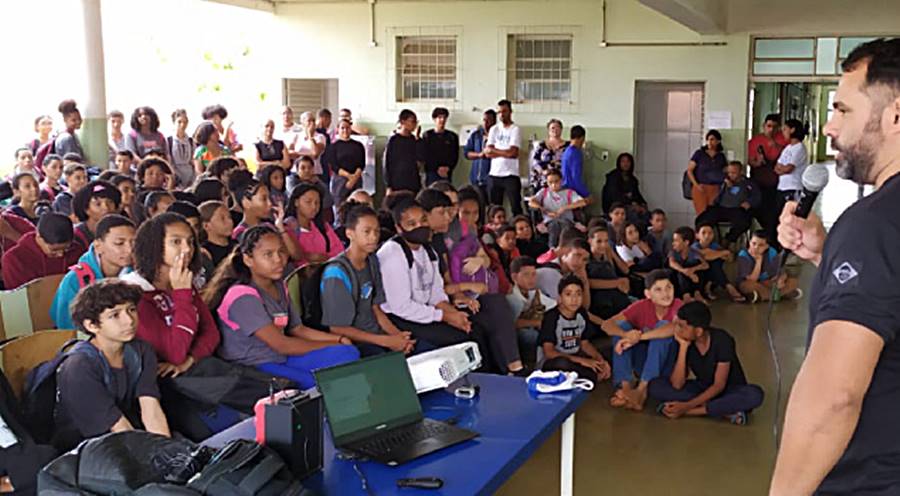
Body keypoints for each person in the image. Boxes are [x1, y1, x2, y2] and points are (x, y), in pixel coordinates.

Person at [771, 38, 900, 496]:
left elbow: (833, 399)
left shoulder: (873, 224)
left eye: (843, 110)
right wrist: (829, 258)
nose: (828, 127)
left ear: (895, 115)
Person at [207, 225, 359, 388]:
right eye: (268, 254)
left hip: (281, 357)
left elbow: (298, 329)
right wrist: (331, 344)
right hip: (255, 365)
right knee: (317, 384)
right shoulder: (242, 296)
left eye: (281, 251)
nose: (278, 259)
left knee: (349, 353)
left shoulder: (279, 285)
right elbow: (282, 344)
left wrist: (339, 339)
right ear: (248, 259)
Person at [54, 279, 170, 451]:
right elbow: (117, 426)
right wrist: (152, 459)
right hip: (85, 446)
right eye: (115, 315)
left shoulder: (141, 350)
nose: (129, 321)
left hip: (127, 432)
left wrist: (169, 451)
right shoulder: (79, 366)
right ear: (91, 325)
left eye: (131, 310)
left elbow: (150, 408)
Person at [321, 204, 428, 356]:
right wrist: (386, 341)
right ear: (350, 233)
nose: (373, 237)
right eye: (367, 232)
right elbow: (337, 328)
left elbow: (376, 308)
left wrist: (399, 337)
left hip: (379, 334)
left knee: (427, 351)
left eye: (377, 231)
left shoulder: (372, 260)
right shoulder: (336, 272)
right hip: (358, 342)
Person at [377, 197, 476, 349]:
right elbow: (401, 307)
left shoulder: (428, 251)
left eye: (423, 220)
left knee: (474, 328)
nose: (420, 226)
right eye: (412, 224)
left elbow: (435, 294)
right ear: (399, 228)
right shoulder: (393, 253)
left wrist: (454, 315)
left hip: (426, 312)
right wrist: (444, 316)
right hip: (400, 317)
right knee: (457, 340)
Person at [649, 301, 764, 425]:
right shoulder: (685, 341)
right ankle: (723, 410)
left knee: (754, 395)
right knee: (655, 386)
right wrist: (683, 348)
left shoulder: (722, 340)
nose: (677, 330)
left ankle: (695, 411)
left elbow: (719, 385)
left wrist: (687, 407)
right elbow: (677, 384)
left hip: (729, 389)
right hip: (702, 387)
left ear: (698, 331)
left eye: (682, 326)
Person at [602, 269, 681, 411]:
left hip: (668, 365)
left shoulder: (678, 306)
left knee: (661, 328)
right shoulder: (642, 306)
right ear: (648, 294)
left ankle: (641, 391)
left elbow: (673, 328)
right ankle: (626, 387)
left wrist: (638, 337)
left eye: (669, 287)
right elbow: (607, 324)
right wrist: (626, 335)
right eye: (658, 289)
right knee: (622, 326)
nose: (665, 293)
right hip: (644, 363)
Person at [51, 214, 134, 329]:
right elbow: (68, 329)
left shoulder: (137, 275)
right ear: (98, 246)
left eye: (134, 242)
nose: (129, 250)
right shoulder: (75, 280)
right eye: (120, 243)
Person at [538, 275, 610, 384]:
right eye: (568, 294)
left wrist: (600, 361)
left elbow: (585, 344)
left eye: (578, 294)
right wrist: (582, 361)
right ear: (560, 297)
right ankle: (589, 378)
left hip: (575, 357)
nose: (574, 299)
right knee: (563, 364)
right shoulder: (551, 317)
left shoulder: (582, 314)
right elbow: (549, 352)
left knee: (607, 354)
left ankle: (586, 378)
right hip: (555, 361)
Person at [1, 213, 81, 289]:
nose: (61, 254)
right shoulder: (14, 259)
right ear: (39, 237)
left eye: (66, 249)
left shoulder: (77, 251)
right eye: (54, 250)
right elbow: (18, 297)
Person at [695, 160, 759, 245]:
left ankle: (728, 240)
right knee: (703, 218)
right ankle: (703, 240)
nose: (731, 175)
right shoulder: (724, 181)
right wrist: (724, 179)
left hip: (738, 209)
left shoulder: (748, 183)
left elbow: (757, 197)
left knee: (744, 222)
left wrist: (749, 202)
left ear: (740, 172)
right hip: (721, 208)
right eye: (729, 172)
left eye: (734, 173)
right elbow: (710, 176)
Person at [508, 256, 557, 359]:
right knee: (532, 336)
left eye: (534, 274)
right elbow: (512, 323)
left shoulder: (534, 292)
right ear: (514, 277)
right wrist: (536, 323)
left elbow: (554, 306)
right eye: (526, 275)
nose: (531, 278)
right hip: (516, 336)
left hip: (534, 328)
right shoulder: (511, 297)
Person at [747, 113, 786, 241]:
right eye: (768, 126)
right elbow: (750, 161)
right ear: (764, 126)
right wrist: (758, 162)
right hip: (759, 180)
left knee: (775, 211)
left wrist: (777, 146)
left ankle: (774, 238)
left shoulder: (783, 139)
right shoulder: (755, 141)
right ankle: (767, 234)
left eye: (774, 127)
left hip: (777, 182)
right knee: (758, 208)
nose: (771, 129)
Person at [284, 182, 342, 265]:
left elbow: (339, 250)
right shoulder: (287, 228)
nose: (314, 207)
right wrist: (309, 257)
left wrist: (325, 258)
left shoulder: (323, 226)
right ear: (296, 202)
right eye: (308, 202)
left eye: (317, 203)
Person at [773, 118, 809, 249]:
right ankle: (780, 245)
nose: (783, 132)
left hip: (793, 188)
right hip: (781, 187)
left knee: (791, 220)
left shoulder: (799, 148)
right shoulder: (788, 148)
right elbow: (777, 167)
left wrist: (782, 169)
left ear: (793, 130)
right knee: (780, 217)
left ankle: (791, 248)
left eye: (785, 129)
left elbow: (789, 168)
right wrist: (781, 169)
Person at [736, 230, 800, 303]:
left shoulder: (772, 252)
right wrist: (759, 261)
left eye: (761, 245)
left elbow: (780, 271)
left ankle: (763, 296)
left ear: (767, 246)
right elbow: (752, 279)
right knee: (747, 286)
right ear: (749, 242)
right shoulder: (743, 255)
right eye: (753, 243)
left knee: (793, 281)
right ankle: (779, 295)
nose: (756, 247)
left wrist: (780, 279)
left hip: (766, 282)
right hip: (752, 283)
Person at [529, 169, 588, 248]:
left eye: (556, 181)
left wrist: (564, 208)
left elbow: (582, 202)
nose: (553, 185)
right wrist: (543, 209)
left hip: (566, 220)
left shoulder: (569, 192)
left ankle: (565, 248)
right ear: (547, 182)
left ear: (561, 180)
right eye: (550, 182)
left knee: (564, 225)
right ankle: (553, 249)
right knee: (554, 225)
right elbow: (531, 202)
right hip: (550, 221)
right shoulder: (544, 192)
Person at [485, 100, 523, 215]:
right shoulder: (494, 129)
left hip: (510, 175)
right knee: (494, 209)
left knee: (516, 207)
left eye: (504, 111)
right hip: (494, 174)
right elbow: (487, 153)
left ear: (510, 112)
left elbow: (513, 153)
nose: (502, 114)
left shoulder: (515, 129)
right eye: (499, 112)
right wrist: (504, 152)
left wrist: (494, 151)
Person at [536, 236, 592, 311]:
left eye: (584, 259)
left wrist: (585, 281)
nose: (580, 262)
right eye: (577, 255)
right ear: (565, 253)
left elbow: (585, 307)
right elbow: (574, 309)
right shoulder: (551, 273)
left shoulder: (569, 273)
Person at [587, 225, 632, 318]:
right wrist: (617, 283)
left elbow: (625, 270)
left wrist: (611, 253)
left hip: (617, 298)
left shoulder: (606, 258)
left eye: (606, 241)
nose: (603, 245)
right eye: (599, 241)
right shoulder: (586, 259)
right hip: (601, 303)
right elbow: (589, 282)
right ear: (590, 241)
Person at [693, 223, 745, 302]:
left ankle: (709, 287)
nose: (707, 236)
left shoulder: (714, 245)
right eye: (703, 233)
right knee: (714, 261)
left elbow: (730, 258)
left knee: (716, 263)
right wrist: (722, 253)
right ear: (697, 235)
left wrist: (712, 253)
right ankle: (729, 287)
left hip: (713, 276)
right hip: (698, 277)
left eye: (710, 233)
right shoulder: (694, 246)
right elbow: (704, 256)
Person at [323, 118, 366, 207]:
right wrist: (349, 177)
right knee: (340, 207)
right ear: (338, 130)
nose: (345, 130)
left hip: (356, 178)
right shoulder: (333, 147)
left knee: (357, 207)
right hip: (340, 180)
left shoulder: (358, 145)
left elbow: (361, 164)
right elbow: (334, 166)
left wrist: (354, 178)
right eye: (342, 128)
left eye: (347, 128)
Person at [72, 180, 121, 249]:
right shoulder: (76, 237)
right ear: (86, 209)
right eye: (98, 204)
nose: (106, 208)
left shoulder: (121, 230)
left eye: (110, 202)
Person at [687, 130, 727, 215]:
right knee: (701, 213)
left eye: (712, 139)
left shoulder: (720, 156)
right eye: (708, 140)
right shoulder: (699, 154)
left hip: (715, 188)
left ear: (718, 141)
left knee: (712, 213)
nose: (710, 142)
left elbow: (724, 171)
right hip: (701, 187)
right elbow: (690, 170)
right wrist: (696, 185)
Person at [384, 109, 423, 195]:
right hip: (397, 184)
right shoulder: (393, 140)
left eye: (416, 122)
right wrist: (388, 185)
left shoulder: (414, 140)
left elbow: (420, 158)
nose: (415, 124)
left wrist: (417, 138)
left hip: (413, 183)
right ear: (403, 122)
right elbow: (387, 163)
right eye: (412, 121)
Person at [602, 152, 648, 224]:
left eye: (628, 161)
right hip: (615, 206)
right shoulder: (613, 177)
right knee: (634, 216)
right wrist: (632, 205)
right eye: (623, 161)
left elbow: (637, 194)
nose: (625, 164)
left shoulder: (632, 179)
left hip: (629, 206)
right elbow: (615, 196)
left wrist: (642, 204)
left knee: (647, 215)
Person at [668, 226, 709, 302]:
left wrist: (693, 269)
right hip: (677, 280)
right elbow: (672, 263)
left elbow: (706, 265)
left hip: (692, 280)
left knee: (698, 267)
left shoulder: (694, 252)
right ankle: (686, 296)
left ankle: (697, 293)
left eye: (676, 241)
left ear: (686, 242)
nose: (673, 243)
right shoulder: (673, 252)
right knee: (680, 271)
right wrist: (686, 272)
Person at [420, 107, 459, 185]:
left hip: (446, 172)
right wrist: (436, 168)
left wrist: (448, 168)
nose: (442, 120)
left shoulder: (452, 136)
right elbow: (426, 155)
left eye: (444, 117)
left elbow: (455, 155)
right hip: (432, 172)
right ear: (434, 119)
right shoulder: (427, 135)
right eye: (440, 117)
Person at [292, 155, 335, 226]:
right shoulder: (291, 181)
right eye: (303, 168)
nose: (307, 171)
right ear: (297, 170)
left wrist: (318, 182)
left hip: (318, 215)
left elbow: (329, 201)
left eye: (309, 168)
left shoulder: (317, 182)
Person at [464, 109, 496, 201]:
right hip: (476, 179)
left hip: (492, 180)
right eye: (484, 120)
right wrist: (479, 155)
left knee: (492, 206)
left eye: (489, 120)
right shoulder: (476, 135)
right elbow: (467, 153)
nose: (486, 123)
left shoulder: (498, 135)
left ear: (494, 121)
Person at [530, 119, 569, 191]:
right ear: (548, 130)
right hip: (544, 180)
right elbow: (535, 162)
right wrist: (544, 171)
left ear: (561, 129)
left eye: (558, 127)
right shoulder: (541, 145)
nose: (555, 129)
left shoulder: (568, 146)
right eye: (553, 128)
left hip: (561, 181)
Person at [199, 200, 236, 268]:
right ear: (206, 226)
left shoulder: (237, 245)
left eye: (229, 217)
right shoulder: (205, 252)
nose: (230, 221)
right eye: (222, 218)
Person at [292, 111, 327, 181]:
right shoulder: (296, 136)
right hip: (297, 172)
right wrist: (308, 156)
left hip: (315, 172)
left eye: (313, 120)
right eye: (309, 121)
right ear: (303, 123)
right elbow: (290, 153)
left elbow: (315, 154)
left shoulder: (320, 137)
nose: (312, 123)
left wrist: (310, 136)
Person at [561, 125, 590, 202]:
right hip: (572, 191)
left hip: (565, 189)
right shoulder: (576, 153)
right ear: (582, 138)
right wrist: (587, 194)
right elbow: (576, 177)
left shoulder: (567, 151)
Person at [168, 109, 196, 188]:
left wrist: (193, 179)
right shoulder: (169, 141)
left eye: (185, 122)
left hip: (190, 177)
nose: (182, 125)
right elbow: (169, 161)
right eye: (179, 122)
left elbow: (194, 161)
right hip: (176, 177)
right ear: (174, 122)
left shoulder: (190, 141)